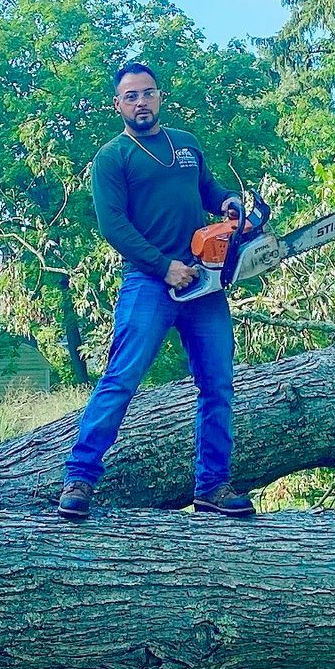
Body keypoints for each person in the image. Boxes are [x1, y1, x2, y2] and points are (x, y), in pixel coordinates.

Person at [57, 61, 255, 521]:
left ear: (159, 96)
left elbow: (209, 191)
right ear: (118, 104)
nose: (140, 102)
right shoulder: (112, 157)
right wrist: (163, 266)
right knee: (121, 378)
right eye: (131, 96)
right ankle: (80, 477)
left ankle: (212, 486)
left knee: (217, 384)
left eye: (147, 93)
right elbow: (114, 225)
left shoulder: (185, 144)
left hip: (204, 283)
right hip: (149, 281)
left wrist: (228, 202)